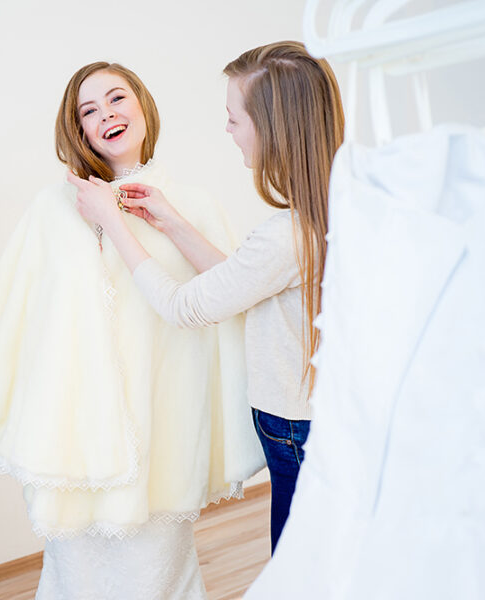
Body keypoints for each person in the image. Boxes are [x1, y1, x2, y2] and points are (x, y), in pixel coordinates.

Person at [0, 62, 262, 599]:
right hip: (76, 432)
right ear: (78, 130)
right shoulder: (52, 210)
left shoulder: (191, 206)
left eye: (116, 99)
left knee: (158, 573)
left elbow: (229, 302)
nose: (106, 115)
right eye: (89, 110)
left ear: (142, 104)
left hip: (164, 428)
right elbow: (15, 310)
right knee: (77, 575)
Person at [71, 41, 345, 553]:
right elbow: (243, 283)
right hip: (314, 420)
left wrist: (113, 222)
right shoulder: (330, 210)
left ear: (271, 129)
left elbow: (186, 306)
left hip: (297, 428)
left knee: (300, 565)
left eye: (233, 118)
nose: (227, 130)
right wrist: (171, 223)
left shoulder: (288, 234)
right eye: (90, 109)